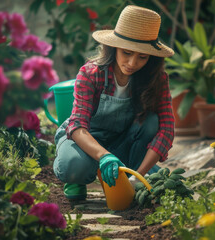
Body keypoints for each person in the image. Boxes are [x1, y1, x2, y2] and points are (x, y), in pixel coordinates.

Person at [53, 5, 175, 200]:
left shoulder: (157, 79)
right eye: (127, 53)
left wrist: (140, 176)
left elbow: (166, 129)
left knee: (152, 121)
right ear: (114, 47)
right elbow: (77, 125)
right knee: (74, 167)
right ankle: (77, 179)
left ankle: (131, 174)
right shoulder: (91, 74)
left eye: (142, 56)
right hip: (85, 141)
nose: (133, 63)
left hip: (122, 141)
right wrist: (103, 156)